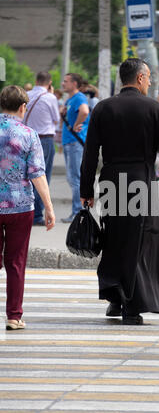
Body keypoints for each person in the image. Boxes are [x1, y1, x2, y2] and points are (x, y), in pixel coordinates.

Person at [80, 58, 159, 325]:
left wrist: (85, 189)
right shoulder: (154, 108)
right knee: (141, 241)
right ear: (142, 78)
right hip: (141, 180)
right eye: (148, 78)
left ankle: (115, 297)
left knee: (114, 237)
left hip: (110, 180)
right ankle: (131, 308)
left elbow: (90, 153)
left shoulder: (102, 108)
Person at [0, 85, 55, 330]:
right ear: (23, 107)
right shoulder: (28, 134)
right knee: (16, 262)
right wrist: (49, 207)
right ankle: (14, 315)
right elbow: (37, 174)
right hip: (20, 207)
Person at [24, 71, 60, 225]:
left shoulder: (26, 94)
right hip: (44, 139)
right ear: (49, 82)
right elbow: (56, 119)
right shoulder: (50, 98)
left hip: (26, 137)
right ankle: (38, 214)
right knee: (42, 176)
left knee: (27, 176)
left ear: (36, 80)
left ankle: (28, 211)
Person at [61, 73, 90, 223]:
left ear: (74, 83)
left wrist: (76, 124)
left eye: (66, 81)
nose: (63, 83)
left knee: (75, 178)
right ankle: (77, 211)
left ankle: (78, 212)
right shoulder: (71, 99)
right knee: (72, 178)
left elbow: (85, 111)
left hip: (74, 143)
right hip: (69, 142)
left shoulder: (79, 98)